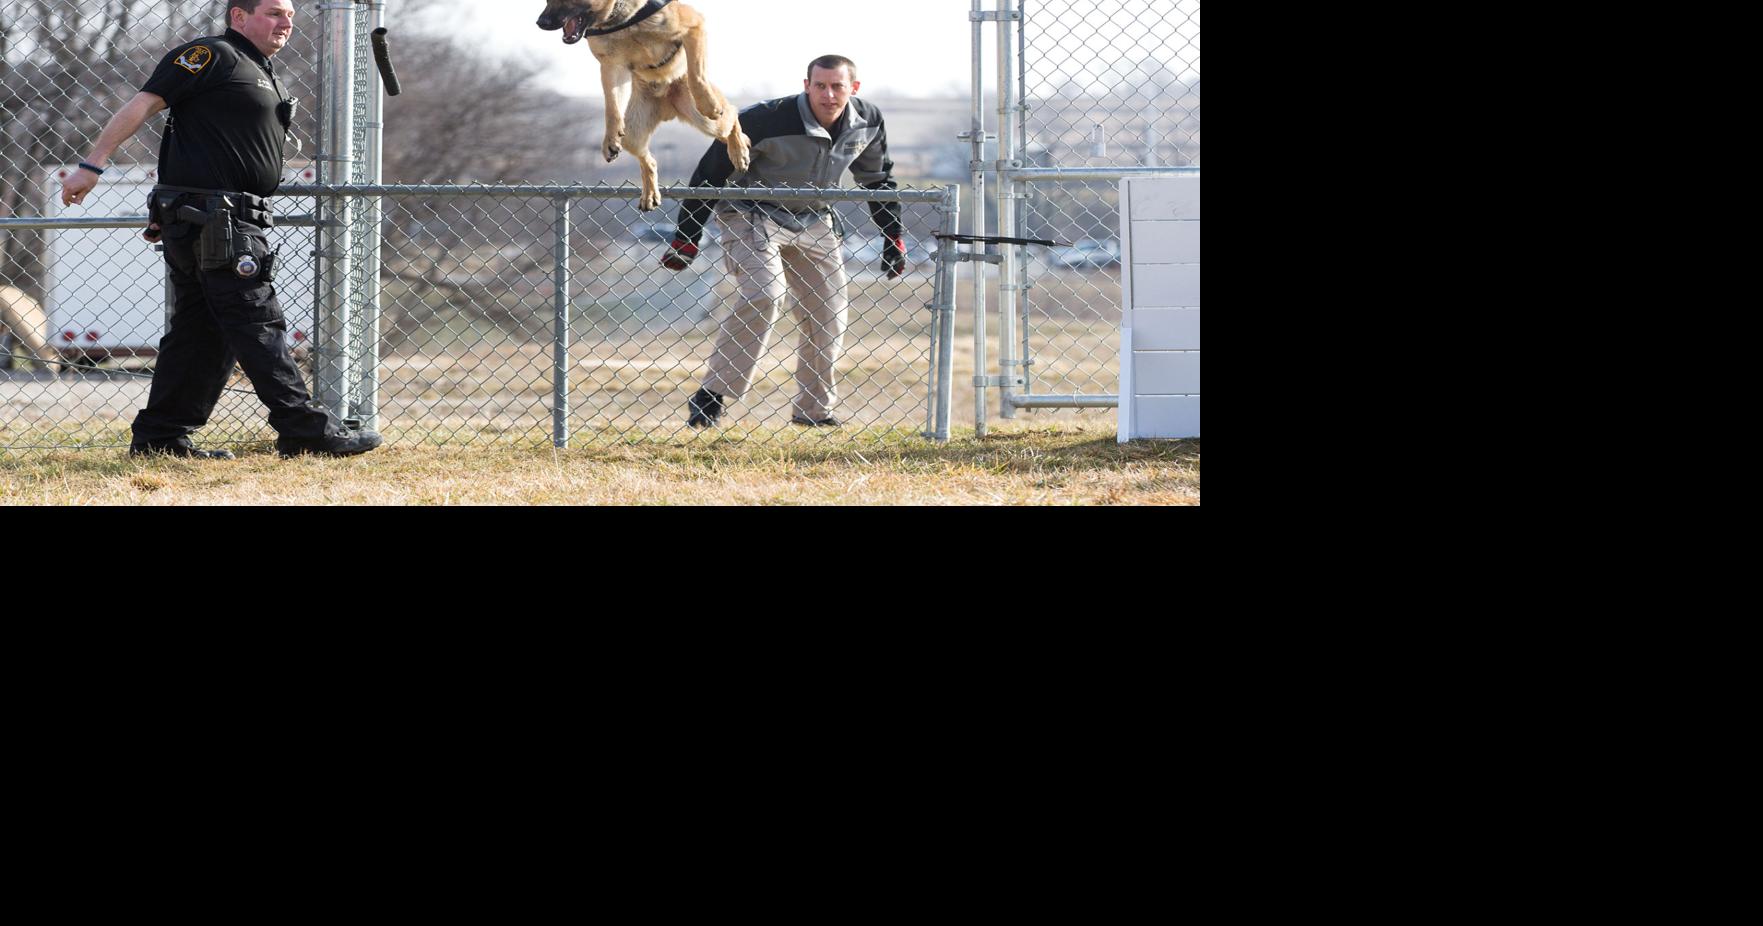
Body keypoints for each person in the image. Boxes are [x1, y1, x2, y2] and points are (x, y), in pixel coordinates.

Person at [59, 0, 380, 459]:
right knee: (256, 320)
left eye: (288, 14)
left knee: (201, 332)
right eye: (272, 12)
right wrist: (92, 165)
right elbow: (144, 103)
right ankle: (305, 430)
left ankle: (161, 439)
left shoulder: (258, 68)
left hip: (222, 216)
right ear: (238, 17)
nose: (285, 21)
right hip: (214, 217)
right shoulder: (213, 55)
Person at [660, 55, 905, 428]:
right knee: (764, 293)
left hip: (814, 218)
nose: (828, 95)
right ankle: (712, 394)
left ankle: (813, 411)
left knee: (830, 313)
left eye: (837, 86)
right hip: (751, 211)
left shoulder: (866, 120)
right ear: (806, 85)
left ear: (853, 88)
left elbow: (877, 180)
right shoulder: (765, 119)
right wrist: (687, 235)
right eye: (819, 86)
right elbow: (710, 173)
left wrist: (893, 238)